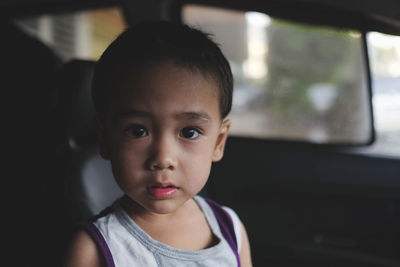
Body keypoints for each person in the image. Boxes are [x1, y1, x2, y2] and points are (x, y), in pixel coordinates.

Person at [63, 21, 252, 267]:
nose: (163, 158)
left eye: (189, 132)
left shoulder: (230, 229)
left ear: (218, 142)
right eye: (137, 130)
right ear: (105, 139)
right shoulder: (94, 249)